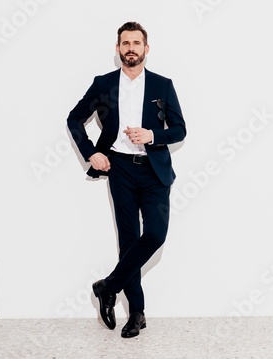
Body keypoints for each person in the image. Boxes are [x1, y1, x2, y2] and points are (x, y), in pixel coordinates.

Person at [67, 21, 186, 338]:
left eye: (136, 43)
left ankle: (107, 286)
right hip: (119, 170)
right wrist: (91, 152)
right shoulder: (104, 84)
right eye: (125, 43)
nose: (130, 48)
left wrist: (152, 135)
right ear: (118, 48)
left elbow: (179, 130)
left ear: (147, 49)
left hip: (154, 170)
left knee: (156, 235)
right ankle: (137, 313)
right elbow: (74, 118)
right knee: (129, 241)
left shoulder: (162, 85)